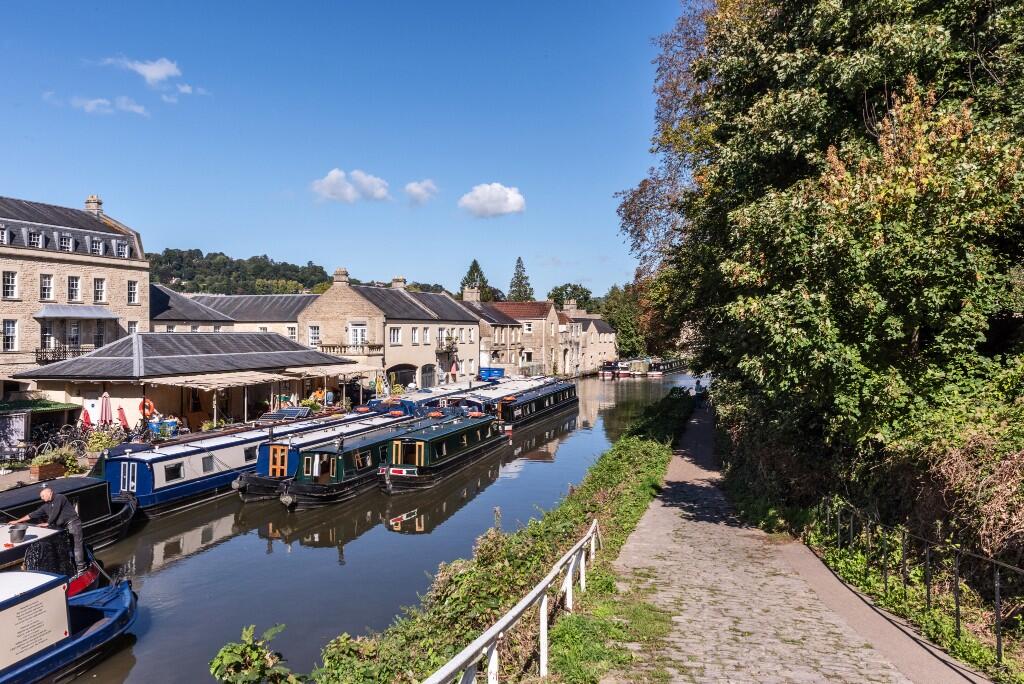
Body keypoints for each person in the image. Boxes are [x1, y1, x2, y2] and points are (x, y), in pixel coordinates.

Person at [4, 487, 87, 573]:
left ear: (49, 493)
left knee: (76, 546)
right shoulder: (46, 506)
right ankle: (71, 564)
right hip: (63, 526)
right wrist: (17, 521)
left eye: (43, 496)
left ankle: (81, 568)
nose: (41, 498)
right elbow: (32, 515)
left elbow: (56, 511)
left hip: (72, 523)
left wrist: (48, 523)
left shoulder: (59, 497)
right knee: (67, 546)